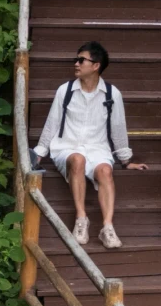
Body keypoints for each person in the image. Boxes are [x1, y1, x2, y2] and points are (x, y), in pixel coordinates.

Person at [33, 42, 147, 249]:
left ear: (96, 65)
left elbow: (119, 127)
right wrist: (39, 153)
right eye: (76, 60)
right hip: (67, 146)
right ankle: (81, 219)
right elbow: (52, 122)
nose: (76, 64)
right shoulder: (65, 90)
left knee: (105, 170)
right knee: (78, 159)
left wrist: (125, 160)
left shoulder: (112, 94)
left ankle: (107, 227)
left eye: (81, 60)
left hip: (97, 148)